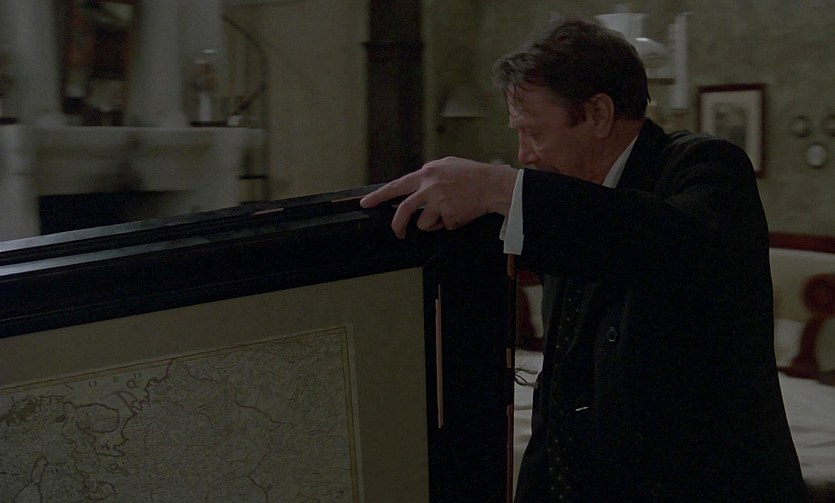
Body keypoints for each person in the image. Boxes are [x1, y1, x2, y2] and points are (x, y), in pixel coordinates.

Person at [362, 17, 809, 501]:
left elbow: (665, 246)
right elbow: (559, 394)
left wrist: (498, 187)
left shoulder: (708, 166)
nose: (524, 155)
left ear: (598, 113)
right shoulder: (568, 203)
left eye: (533, 133)